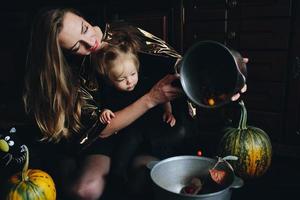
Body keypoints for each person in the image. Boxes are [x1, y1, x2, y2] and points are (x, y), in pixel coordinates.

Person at [23, 7, 247, 200]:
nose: (90, 42)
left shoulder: (121, 33)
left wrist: (225, 74)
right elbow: (102, 129)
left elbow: (175, 63)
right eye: (76, 47)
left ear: (83, 18)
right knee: (85, 191)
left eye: (85, 29)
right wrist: (151, 98)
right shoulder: (73, 72)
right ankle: (69, 164)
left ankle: (134, 167)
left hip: (146, 125)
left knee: (144, 180)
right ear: (64, 54)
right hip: (108, 131)